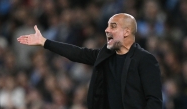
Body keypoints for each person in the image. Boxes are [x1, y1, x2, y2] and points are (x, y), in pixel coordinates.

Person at [17, 13, 162, 109]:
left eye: (113, 26)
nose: (106, 30)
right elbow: (77, 53)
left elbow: (154, 100)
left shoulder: (145, 60)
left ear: (127, 32)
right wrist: (45, 42)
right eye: (107, 26)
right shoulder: (105, 56)